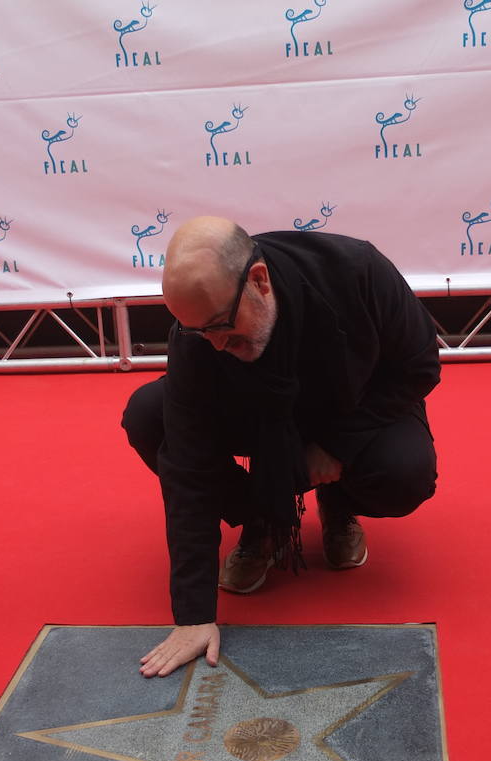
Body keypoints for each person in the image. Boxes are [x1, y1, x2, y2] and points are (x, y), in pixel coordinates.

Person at [122, 215, 440, 677]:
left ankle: (338, 501)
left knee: (405, 471)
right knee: (149, 417)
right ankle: (261, 518)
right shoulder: (198, 337)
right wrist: (193, 615)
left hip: (354, 407)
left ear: (259, 280)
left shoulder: (357, 270)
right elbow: (187, 466)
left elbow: (418, 367)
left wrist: (336, 446)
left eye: (221, 327)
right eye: (198, 333)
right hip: (257, 416)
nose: (213, 345)